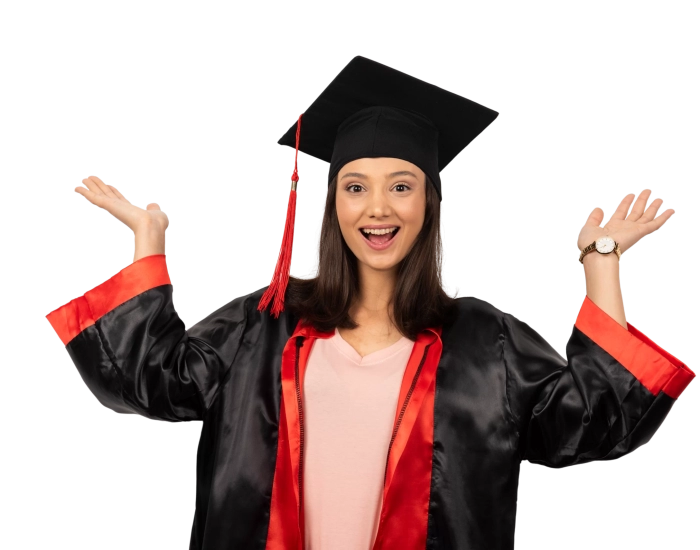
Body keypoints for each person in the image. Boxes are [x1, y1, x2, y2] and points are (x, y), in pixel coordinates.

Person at [45, 56, 695, 550]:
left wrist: (601, 260)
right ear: (330, 206)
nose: (377, 208)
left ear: (430, 207)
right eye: (355, 186)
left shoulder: (483, 338)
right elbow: (146, 379)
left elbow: (593, 421)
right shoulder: (262, 324)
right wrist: (148, 242)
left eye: (401, 186)